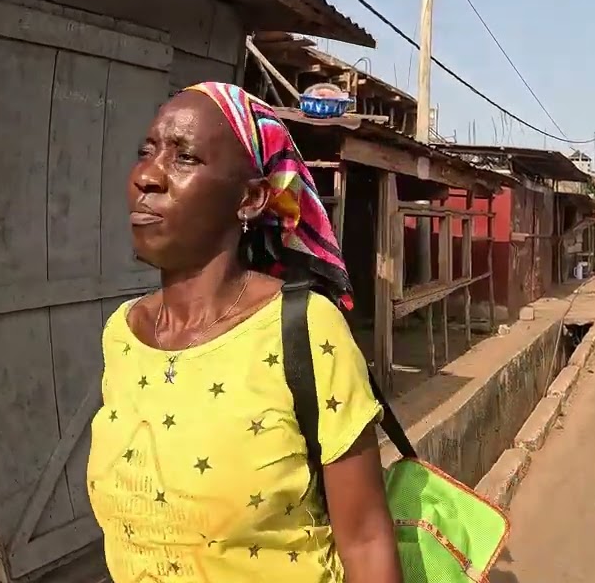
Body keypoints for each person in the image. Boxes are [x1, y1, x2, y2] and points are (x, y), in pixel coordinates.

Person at [87, 83, 402, 583]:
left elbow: (365, 541)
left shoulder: (301, 329)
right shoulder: (122, 335)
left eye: (184, 157)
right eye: (146, 152)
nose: (147, 175)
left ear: (251, 199)